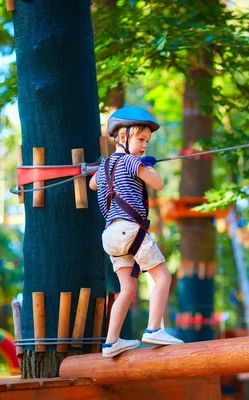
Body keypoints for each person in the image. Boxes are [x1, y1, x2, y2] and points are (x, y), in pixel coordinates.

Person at [89, 106, 183, 357]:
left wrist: (112, 168)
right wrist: (145, 167)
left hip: (110, 236)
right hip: (130, 230)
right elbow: (159, 183)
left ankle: (111, 342)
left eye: (147, 141)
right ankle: (153, 329)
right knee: (163, 278)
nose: (144, 146)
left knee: (128, 289)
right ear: (122, 137)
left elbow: (92, 183)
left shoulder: (105, 167)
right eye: (140, 139)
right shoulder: (131, 161)